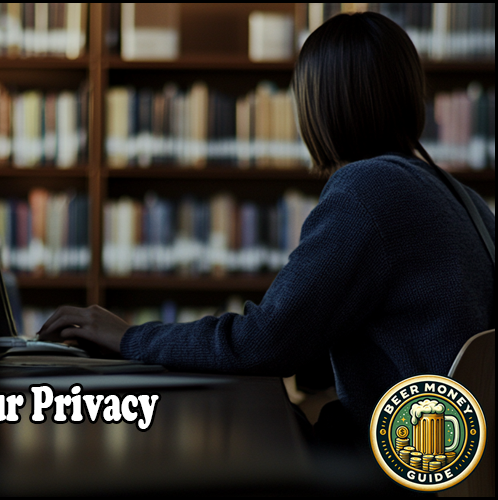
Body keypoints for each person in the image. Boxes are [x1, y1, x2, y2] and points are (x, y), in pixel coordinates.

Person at [37, 12, 495, 449]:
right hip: (454, 459)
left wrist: (127, 337)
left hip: (399, 462)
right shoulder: (461, 196)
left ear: (318, 106)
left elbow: (263, 343)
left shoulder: (368, 189)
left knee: (221, 439)